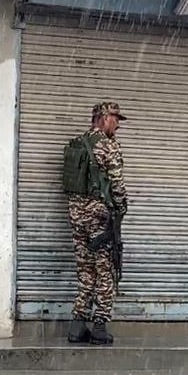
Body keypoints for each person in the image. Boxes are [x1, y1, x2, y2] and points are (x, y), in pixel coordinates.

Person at [64, 102, 128, 346]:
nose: (118, 124)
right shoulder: (108, 146)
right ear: (103, 118)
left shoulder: (78, 143)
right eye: (115, 119)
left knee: (85, 270)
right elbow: (117, 184)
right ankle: (99, 326)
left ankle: (77, 327)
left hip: (76, 216)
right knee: (105, 271)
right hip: (100, 217)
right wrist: (121, 209)